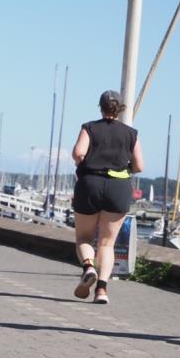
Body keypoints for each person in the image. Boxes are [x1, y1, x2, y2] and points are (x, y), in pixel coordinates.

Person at [70, 90, 145, 304]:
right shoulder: (132, 133)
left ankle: (88, 267)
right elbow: (139, 165)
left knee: (84, 237)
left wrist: (86, 162)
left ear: (100, 107)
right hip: (118, 187)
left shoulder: (90, 128)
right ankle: (102, 290)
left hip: (90, 183)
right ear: (120, 109)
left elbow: (78, 153)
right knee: (107, 243)